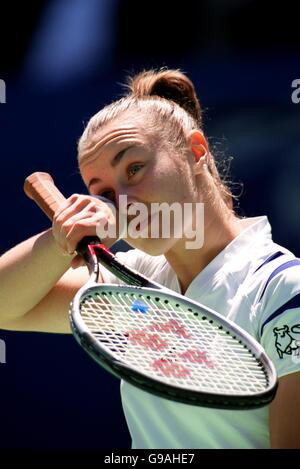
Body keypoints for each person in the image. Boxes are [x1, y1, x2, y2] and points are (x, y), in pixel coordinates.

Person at [0, 68, 300, 449]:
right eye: (103, 192)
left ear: (196, 152)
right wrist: (61, 238)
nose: (122, 202)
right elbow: (4, 306)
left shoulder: (284, 290)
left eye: (135, 169)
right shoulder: (130, 280)